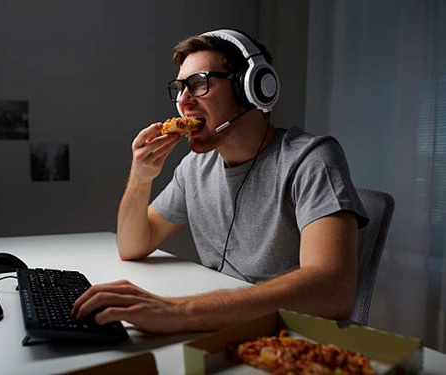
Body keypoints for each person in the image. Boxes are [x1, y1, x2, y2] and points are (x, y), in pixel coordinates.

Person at [72, 29, 368, 334]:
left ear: (250, 88)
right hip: (221, 325)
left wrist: (181, 310)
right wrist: (140, 177)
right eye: (179, 88)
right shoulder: (194, 168)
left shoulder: (310, 159)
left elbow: (334, 290)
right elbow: (132, 246)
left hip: (289, 336)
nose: (183, 101)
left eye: (199, 84)